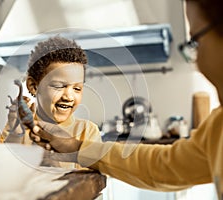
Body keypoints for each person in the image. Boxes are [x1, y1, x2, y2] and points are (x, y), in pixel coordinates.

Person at [30, 0, 223, 197]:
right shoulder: (218, 127)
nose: (196, 58)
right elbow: (166, 167)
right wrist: (77, 147)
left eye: (195, 41)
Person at [0, 36, 102, 169]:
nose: (69, 96)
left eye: (77, 88)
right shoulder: (16, 127)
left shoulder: (87, 132)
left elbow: (91, 184)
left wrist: (54, 166)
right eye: (58, 86)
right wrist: (16, 132)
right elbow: (3, 169)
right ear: (33, 86)